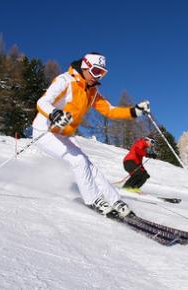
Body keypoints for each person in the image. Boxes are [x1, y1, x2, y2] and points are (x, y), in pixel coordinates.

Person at [32, 52, 150, 218]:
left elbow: (110, 110)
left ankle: (115, 200)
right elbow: (42, 102)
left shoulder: (92, 91)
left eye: (102, 73)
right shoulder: (65, 80)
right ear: (85, 66)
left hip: (64, 135)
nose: (98, 76)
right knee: (78, 161)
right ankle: (93, 199)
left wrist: (134, 111)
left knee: (90, 167)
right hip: (45, 131)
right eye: (95, 71)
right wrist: (54, 114)